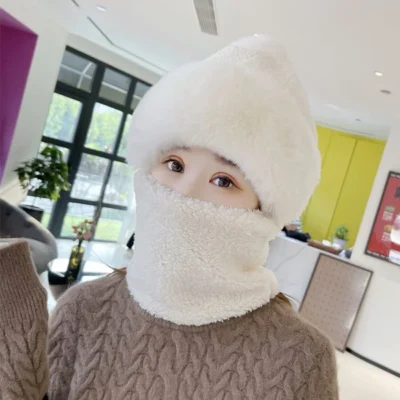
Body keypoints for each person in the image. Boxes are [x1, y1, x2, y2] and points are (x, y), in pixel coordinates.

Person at [0, 35, 338, 399]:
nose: (184, 192)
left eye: (223, 180)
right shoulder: (81, 309)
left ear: (264, 210)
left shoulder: (302, 359)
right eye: (175, 164)